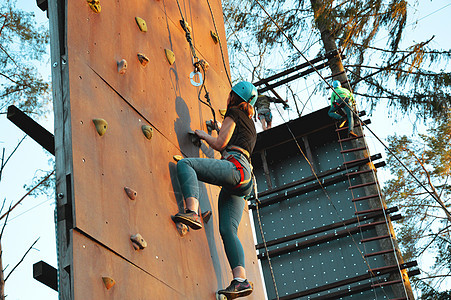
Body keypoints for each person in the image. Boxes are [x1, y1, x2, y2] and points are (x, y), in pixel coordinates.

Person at [173, 81, 257, 299]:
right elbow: (232, 138)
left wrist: (203, 135)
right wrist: (218, 126)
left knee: (186, 164)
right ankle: (240, 280)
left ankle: (192, 211)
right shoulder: (249, 123)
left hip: (235, 168)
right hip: (245, 180)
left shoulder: (234, 112)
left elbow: (220, 144)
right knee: (228, 231)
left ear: (232, 97)